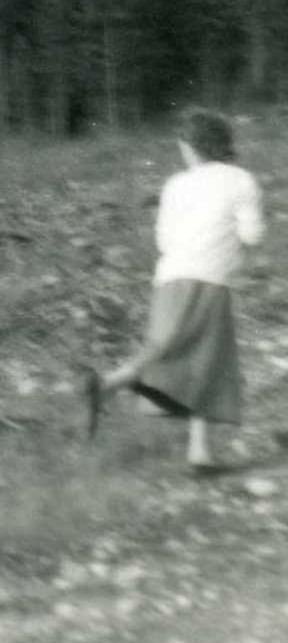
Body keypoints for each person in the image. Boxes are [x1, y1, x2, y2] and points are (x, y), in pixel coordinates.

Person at [84, 109, 264, 471]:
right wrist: (235, 251)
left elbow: (164, 238)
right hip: (211, 278)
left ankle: (199, 452)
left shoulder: (175, 184)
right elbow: (253, 234)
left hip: (169, 276)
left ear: (191, 147)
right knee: (207, 361)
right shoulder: (241, 180)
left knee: (174, 350)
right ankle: (109, 382)